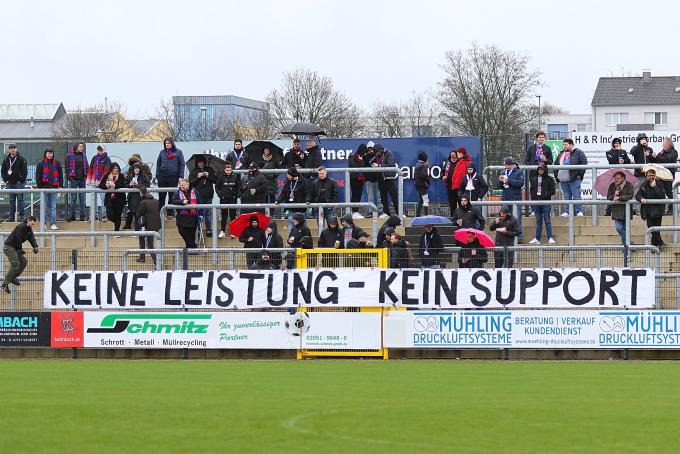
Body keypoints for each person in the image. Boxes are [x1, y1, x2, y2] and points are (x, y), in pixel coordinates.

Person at [1, 216, 38, 294]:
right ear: (28, 220)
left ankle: (13, 277)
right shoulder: (21, 227)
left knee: (24, 261)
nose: (32, 226)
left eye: (33, 225)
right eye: (31, 224)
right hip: (9, 247)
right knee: (15, 264)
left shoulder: (29, 229)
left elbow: (32, 238)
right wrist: (20, 249)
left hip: (15, 248)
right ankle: (5, 284)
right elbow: (18, 238)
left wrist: (35, 246)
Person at [555, 139, 587, 217]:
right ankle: (567, 212)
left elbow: (584, 162)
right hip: (563, 178)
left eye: (566, 144)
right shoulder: (561, 153)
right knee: (566, 196)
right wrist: (557, 176)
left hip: (574, 178)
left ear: (571, 145)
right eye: (564, 144)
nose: (564, 146)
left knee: (576, 195)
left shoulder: (578, 152)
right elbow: (556, 164)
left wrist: (580, 174)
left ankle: (579, 211)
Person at [636, 169, 666, 249]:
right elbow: (638, 195)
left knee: (656, 229)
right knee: (651, 229)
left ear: (655, 176)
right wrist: (641, 199)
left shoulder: (659, 184)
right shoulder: (643, 185)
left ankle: (655, 246)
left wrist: (655, 187)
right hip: (648, 211)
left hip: (658, 211)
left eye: (653, 175)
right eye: (649, 175)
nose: (651, 177)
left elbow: (662, 196)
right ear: (646, 176)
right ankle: (658, 244)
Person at [156, 137, 185, 217]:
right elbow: (158, 164)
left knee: (171, 196)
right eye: (166, 143)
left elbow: (182, 164)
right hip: (162, 177)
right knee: (161, 196)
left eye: (169, 143)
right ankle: (161, 214)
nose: (167, 145)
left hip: (173, 177)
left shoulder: (178, 152)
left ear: (172, 143)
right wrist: (157, 175)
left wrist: (180, 176)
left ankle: (169, 214)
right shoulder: (162, 152)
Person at [35, 147, 63, 230]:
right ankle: (43, 223)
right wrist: (40, 187)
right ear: (45, 154)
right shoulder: (41, 163)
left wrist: (61, 186)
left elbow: (60, 175)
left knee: (53, 207)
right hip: (44, 189)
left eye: (51, 153)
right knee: (44, 206)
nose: (50, 155)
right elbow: (38, 176)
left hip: (54, 188)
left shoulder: (57, 163)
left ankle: (53, 223)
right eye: (48, 153)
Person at [528, 163, 556, 245]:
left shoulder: (550, 179)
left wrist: (545, 194)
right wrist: (534, 197)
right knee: (538, 221)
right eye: (539, 169)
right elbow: (532, 189)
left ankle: (550, 237)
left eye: (542, 169)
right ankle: (537, 238)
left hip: (546, 202)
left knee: (547, 220)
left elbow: (553, 190)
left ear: (545, 170)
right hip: (537, 202)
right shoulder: (534, 179)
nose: (540, 171)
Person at [498, 156, 524, 241]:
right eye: (506, 165)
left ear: (512, 165)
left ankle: (519, 237)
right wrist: (500, 181)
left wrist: (508, 180)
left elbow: (520, 183)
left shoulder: (518, 172)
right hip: (505, 198)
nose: (507, 167)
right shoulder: (502, 172)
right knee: (505, 218)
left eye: (509, 165)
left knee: (517, 218)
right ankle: (506, 235)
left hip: (515, 198)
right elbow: (499, 187)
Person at [189, 155, 216, 237]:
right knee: (198, 214)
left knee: (208, 214)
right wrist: (198, 176)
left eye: (202, 162)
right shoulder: (194, 171)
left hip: (208, 195)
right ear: (197, 163)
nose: (201, 164)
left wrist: (208, 176)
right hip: (198, 196)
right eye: (199, 162)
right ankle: (198, 230)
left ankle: (208, 229)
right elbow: (191, 183)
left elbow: (215, 180)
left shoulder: (210, 170)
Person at [607, 171, 635, 246]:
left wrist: (619, 197)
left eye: (618, 178)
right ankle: (629, 243)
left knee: (626, 229)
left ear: (623, 178)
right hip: (616, 211)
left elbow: (630, 195)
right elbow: (608, 197)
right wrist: (614, 195)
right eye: (615, 178)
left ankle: (626, 247)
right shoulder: (612, 186)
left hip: (626, 211)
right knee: (619, 228)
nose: (616, 180)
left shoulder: (629, 185)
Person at [605, 138, 631, 216]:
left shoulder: (623, 151)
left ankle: (628, 211)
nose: (617, 144)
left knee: (625, 191)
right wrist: (617, 152)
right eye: (615, 143)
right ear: (613, 144)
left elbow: (628, 161)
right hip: (613, 174)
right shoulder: (609, 152)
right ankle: (608, 211)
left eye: (618, 143)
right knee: (613, 192)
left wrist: (624, 161)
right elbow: (611, 161)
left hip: (622, 174)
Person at [2, 144, 28, 222]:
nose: (12, 150)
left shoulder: (21, 159)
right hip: (10, 184)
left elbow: (25, 171)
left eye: (14, 148)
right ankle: (11, 217)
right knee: (11, 201)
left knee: (20, 200)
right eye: (11, 148)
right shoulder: (6, 159)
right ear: (9, 150)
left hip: (19, 184)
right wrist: (5, 179)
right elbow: (3, 170)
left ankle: (22, 217)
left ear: (16, 149)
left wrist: (21, 180)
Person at [651, 138, 678, 214]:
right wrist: (653, 157)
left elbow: (667, 159)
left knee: (669, 192)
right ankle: (661, 210)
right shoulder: (662, 152)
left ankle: (671, 209)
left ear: (668, 144)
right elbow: (657, 160)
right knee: (660, 192)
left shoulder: (674, 152)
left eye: (664, 144)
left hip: (668, 176)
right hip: (660, 175)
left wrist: (657, 157)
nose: (662, 145)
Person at [372, 143, 399, 218]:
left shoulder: (389, 153)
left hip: (389, 178)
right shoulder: (377, 156)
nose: (376, 153)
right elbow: (371, 162)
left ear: (380, 150)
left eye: (377, 151)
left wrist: (379, 166)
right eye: (375, 152)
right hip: (381, 178)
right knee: (383, 197)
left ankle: (399, 212)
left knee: (394, 196)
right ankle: (386, 213)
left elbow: (391, 165)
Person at [98, 163, 126, 233]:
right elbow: (100, 185)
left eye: (117, 168)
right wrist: (106, 185)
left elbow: (123, 184)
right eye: (115, 168)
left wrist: (115, 185)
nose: (116, 169)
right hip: (109, 199)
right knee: (110, 215)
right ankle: (116, 222)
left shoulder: (121, 176)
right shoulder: (107, 175)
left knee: (118, 215)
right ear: (111, 169)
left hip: (119, 199)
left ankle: (116, 232)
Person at [215, 162, 241, 238]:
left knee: (233, 215)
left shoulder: (235, 177)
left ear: (231, 170)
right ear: (224, 170)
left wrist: (236, 196)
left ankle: (233, 231)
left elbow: (238, 187)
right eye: (227, 170)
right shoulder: (220, 177)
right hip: (224, 199)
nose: (228, 171)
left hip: (232, 199)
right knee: (224, 215)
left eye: (230, 170)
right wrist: (221, 195)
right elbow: (217, 187)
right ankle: (222, 231)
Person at [173, 179, 200, 248]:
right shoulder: (177, 192)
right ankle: (193, 246)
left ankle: (190, 249)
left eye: (183, 185)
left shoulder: (195, 192)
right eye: (181, 185)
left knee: (191, 234)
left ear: (188, 185)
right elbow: (173, 201)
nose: (181, 186)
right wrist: (182, 202)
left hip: (192, 217)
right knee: (182, 232)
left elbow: (199, 200)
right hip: (182, 217)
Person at [136, 187, 160, 265]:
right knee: (142, 237)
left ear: (141, 193)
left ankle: (157, 263)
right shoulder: (156, 201)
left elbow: (138, 214)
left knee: (150, 246)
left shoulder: (144, 202)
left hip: (149, 226)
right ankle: (142, 257)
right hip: (156, 225)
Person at [87, 145, 111, 221]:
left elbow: (106, 171)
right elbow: (90, 169)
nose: (100, 151)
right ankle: (94, 216)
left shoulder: (107, 159)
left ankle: (104, 216)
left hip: (103, 183)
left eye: (101, 150)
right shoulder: (95, 158)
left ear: (104, 150)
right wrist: (89, 179)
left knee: (103, 199)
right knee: (93, 199)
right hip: (94, 182)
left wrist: (101, 181)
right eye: (98, 150)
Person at [66, 141, 89, 222]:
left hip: (82, 180)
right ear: (76, 147)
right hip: (74, 180)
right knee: (73, 198)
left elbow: (87, 167)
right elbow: (67, 169)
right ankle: (72, 216)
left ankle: (83, 216)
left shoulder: (84, 155)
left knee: (82, 199)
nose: (82, 148)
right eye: (80, 147)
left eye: (82, 147)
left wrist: (85, 176)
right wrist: (71, 179)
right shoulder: (69, 156)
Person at [123, 163, 150, 230]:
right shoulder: (130, 176)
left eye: (137, 168)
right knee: (134, 213)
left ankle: (139, 230)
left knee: (139, 214)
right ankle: (136, 230)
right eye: (135, 168)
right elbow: (124, 185)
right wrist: (130, 184)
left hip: (141, 198)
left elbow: (147, 185)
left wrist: (138, 185)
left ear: (140, 169)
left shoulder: (144, 176)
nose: (136, 169)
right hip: (132, 198)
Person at [257, 145, 282, 214]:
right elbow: (256, 169)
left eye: (268, 150)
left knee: (272, 198)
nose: (266, 151)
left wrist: (274, 174)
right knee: (263, 198)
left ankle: (271, 213)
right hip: (263, 181)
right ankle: (263, 213)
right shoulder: (260, 159)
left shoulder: (275, 159)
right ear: (263, 151)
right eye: (265, 150)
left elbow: (280, 168)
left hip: (272, 182)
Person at [364, 141, 383, 216]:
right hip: (369, 180)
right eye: (369, 149)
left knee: (379, 197)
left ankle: (380, 210)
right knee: (370, 197)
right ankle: (371, 211)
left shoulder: (378, 155)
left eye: (372, 149)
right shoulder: (365, 157)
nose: (370, 150)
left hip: (378, 179)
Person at [348, 144, 367, 218]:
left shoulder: (364, 157)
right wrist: (360, 161)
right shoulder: (352, 156)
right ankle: (354, 211)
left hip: (361, 179)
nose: (365, 153)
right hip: (354, 178)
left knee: (359, 194)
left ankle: (356, 211)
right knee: (355, 194)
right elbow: (354, 166)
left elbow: (364, 166)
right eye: (365, 151)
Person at [441, 150, 459, 216]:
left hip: (458, 187)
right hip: (449, 187)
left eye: (455, 157)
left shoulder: (459, 164)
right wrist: (443, 177)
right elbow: (442, 173)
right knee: (452, 204)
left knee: (460, 203)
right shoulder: (447, 164)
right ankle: (453, 217)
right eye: (452, 157)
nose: (453, 159)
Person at [414, 151, 431, 217]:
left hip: (417, 185)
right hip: (422, 185)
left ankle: (418, 214)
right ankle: (426, 215)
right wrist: (428, 181)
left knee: (420, 200)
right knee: (426, 200)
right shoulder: (424, 165)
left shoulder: (417, 165)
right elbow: (424, 175)